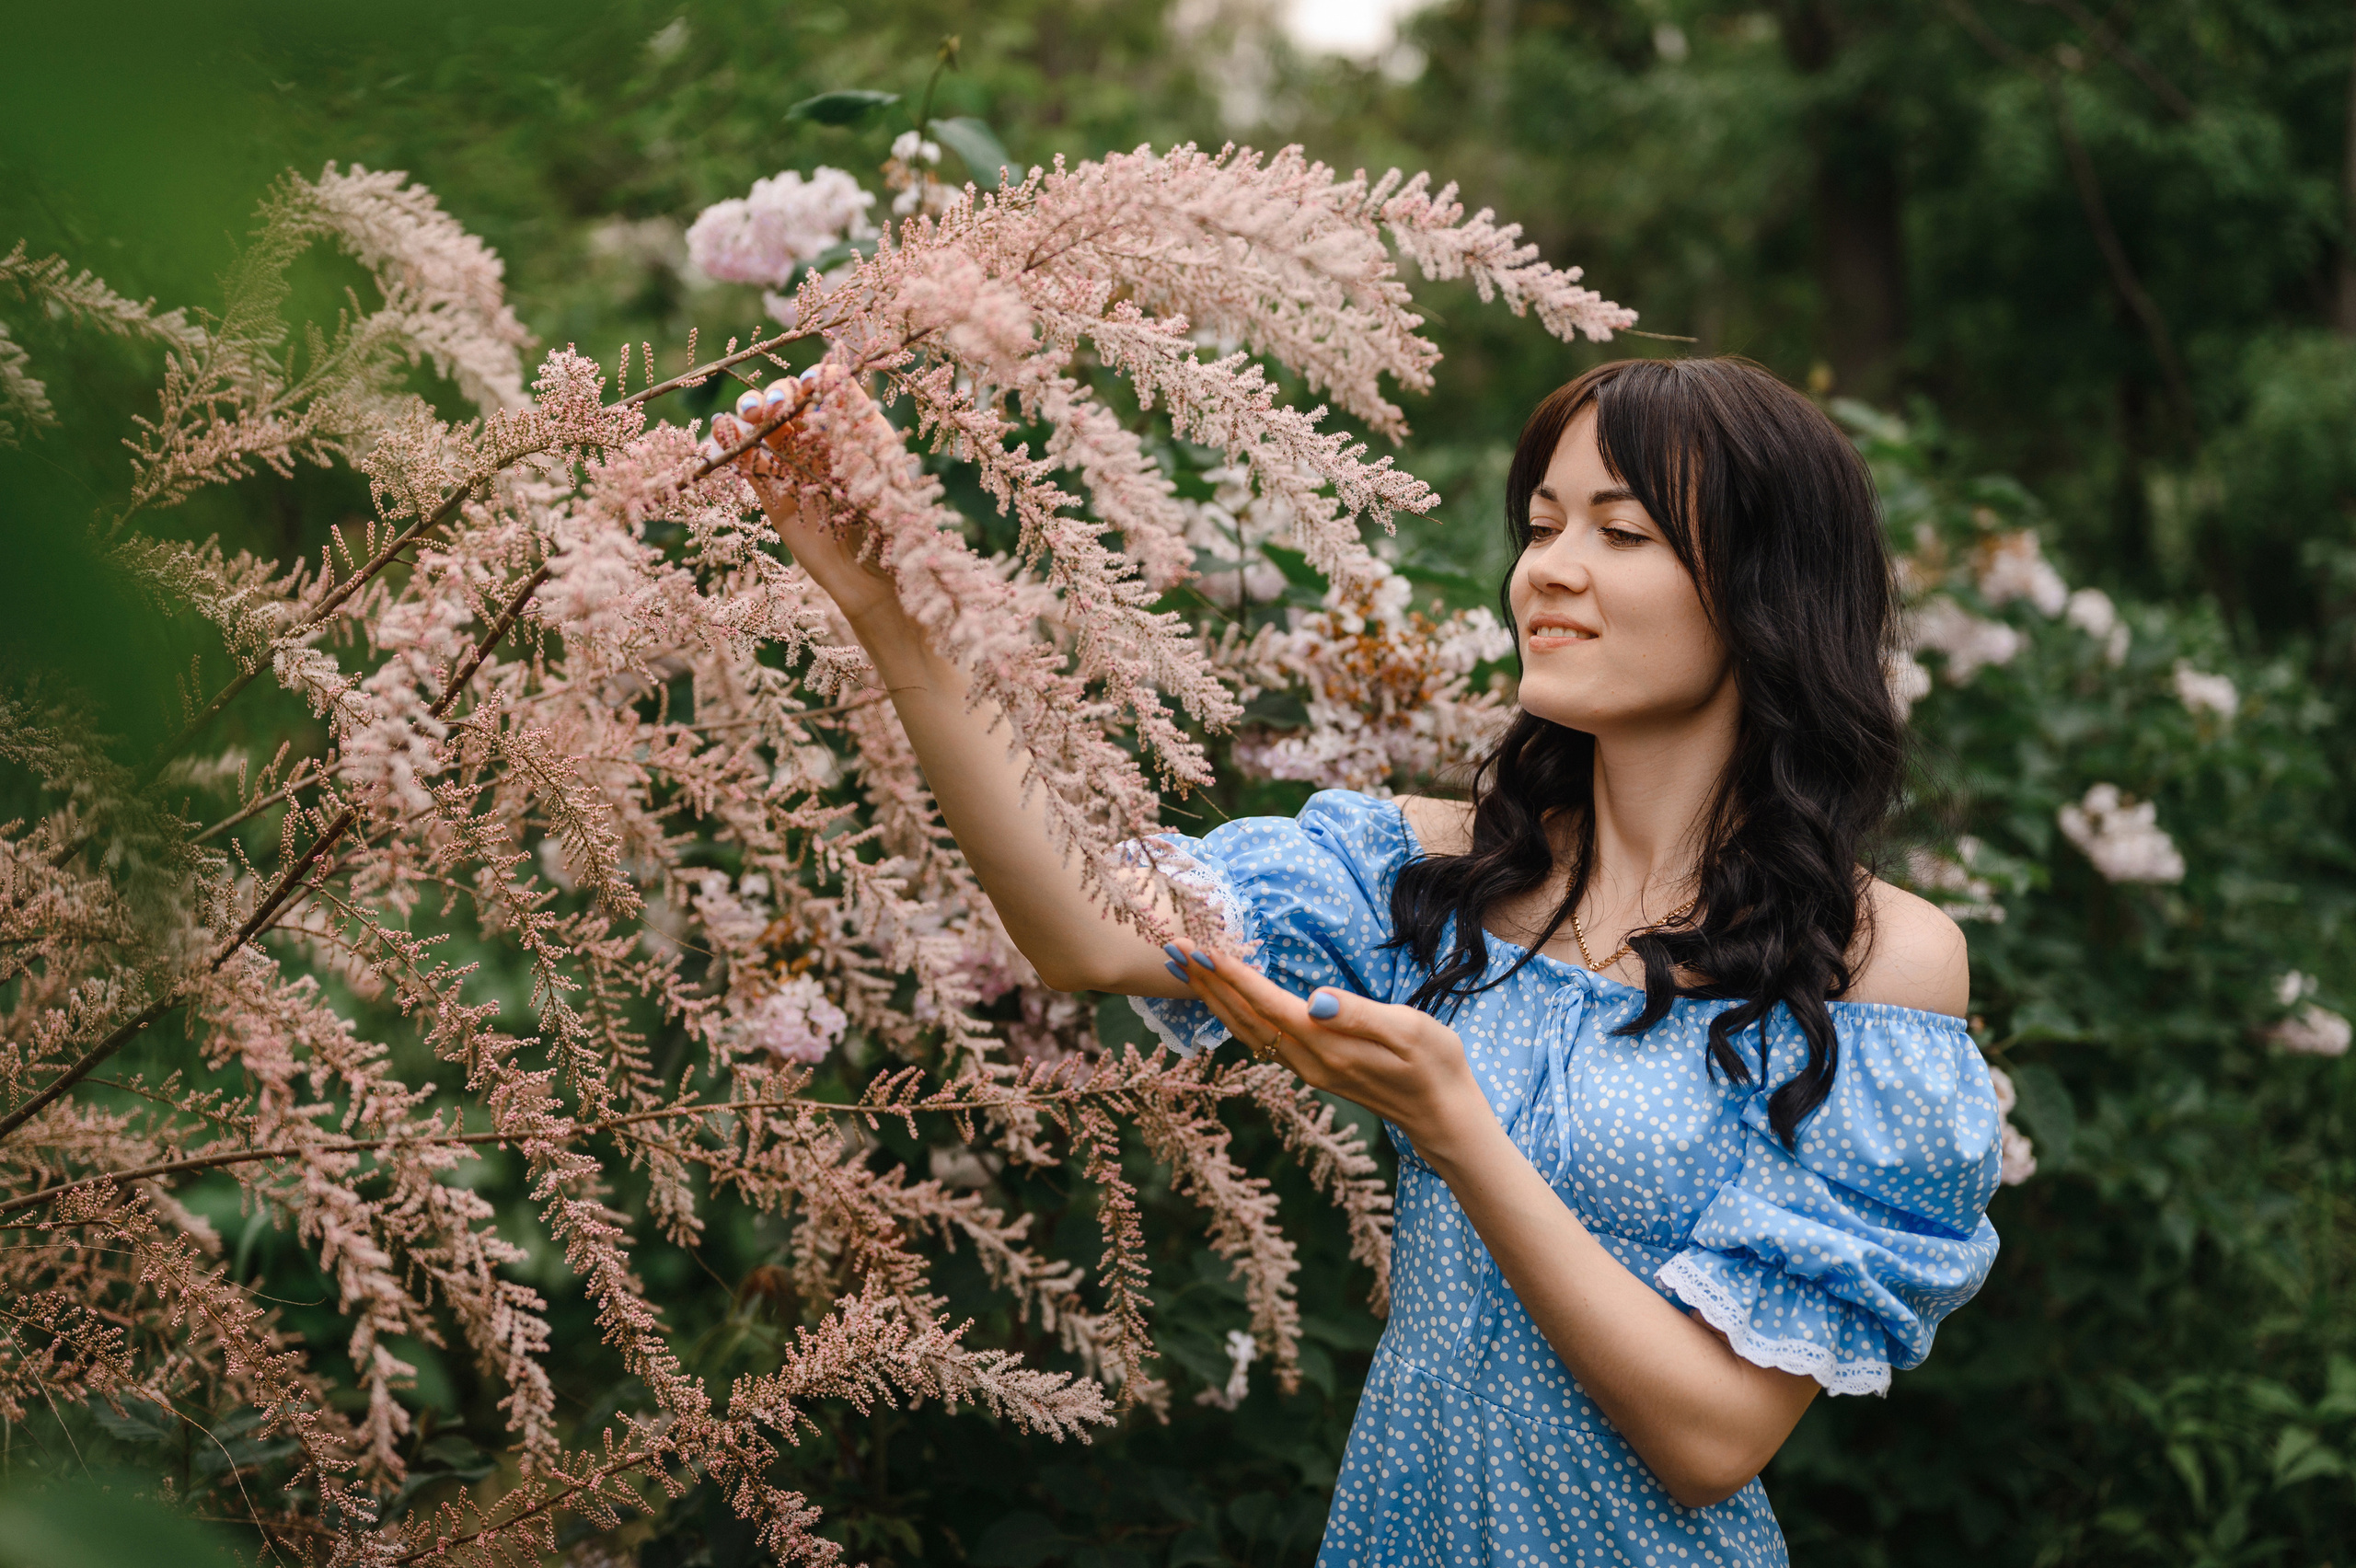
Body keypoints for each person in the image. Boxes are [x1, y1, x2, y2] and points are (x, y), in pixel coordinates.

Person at [741, 355, 2003, 1565]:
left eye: (1621, 533)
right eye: (1542, 526)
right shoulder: (1436, 873)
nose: (1549, 570)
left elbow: (1711, 1443)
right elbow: (1085, 926)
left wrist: (1460, 1134)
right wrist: (891, 610)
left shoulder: (1874, 968)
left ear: (1768, 592)